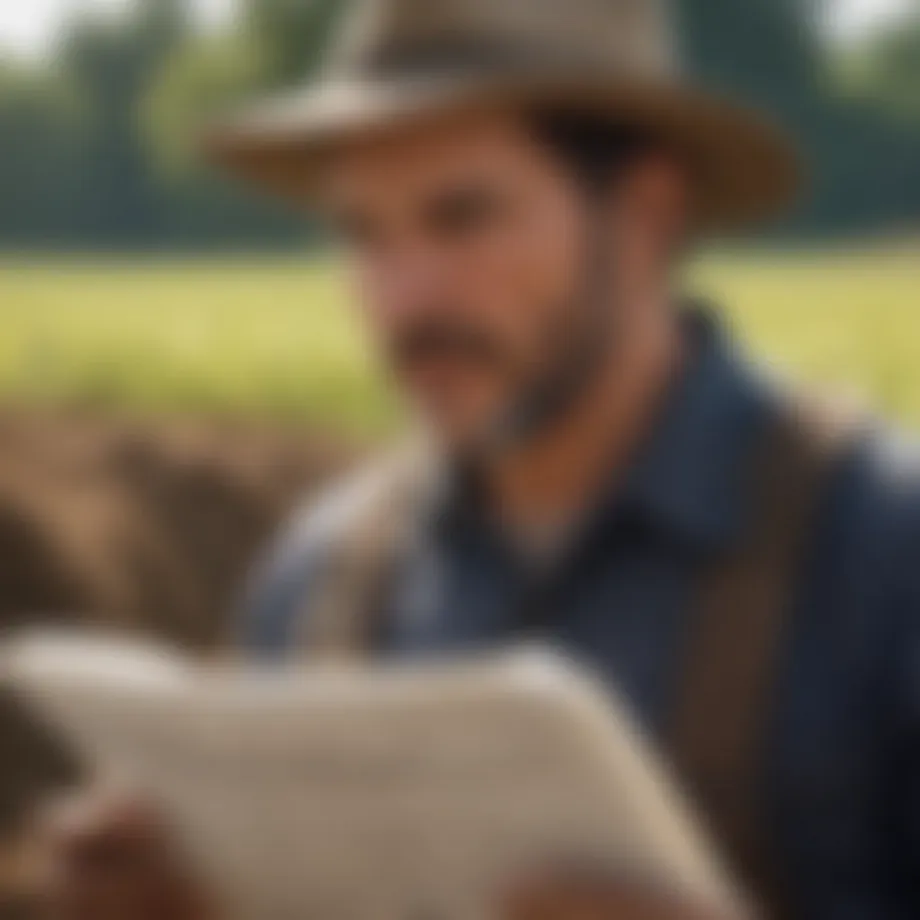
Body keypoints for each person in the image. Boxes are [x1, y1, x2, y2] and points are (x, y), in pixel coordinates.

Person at [39, 0, 920, 918]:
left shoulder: (886, 559)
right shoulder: (317, 589)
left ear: (648, 214)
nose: (405, 297)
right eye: (365, 235)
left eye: (463, 219)